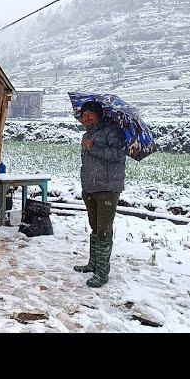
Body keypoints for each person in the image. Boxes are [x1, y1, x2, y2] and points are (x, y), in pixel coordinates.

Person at [74, 101, 127, 288]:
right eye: (84, 114)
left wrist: (92, 148)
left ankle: (102, 273)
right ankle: (93, 264)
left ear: (99, 115)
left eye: (90, 113)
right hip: (90, 187)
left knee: (104, 230)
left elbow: (119, 154)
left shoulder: (112, 131)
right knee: (95, 227)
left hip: (107, 188)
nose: (86, 117)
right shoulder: (89, 134)